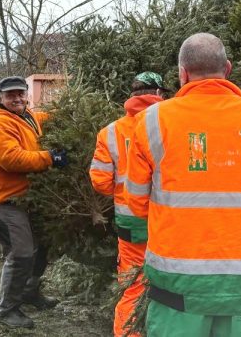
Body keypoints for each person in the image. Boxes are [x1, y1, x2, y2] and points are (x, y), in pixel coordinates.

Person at [125, 33, 241, 337]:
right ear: (228, 68)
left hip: (177, 287)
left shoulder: (152, 122)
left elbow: (136, 201)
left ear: (182, 74)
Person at [0, 76, 68, 329]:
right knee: (21, 253)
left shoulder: (26, 116)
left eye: (21, 93)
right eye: (11, 95)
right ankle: (7, 310)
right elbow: (12, 159)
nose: (17, 98)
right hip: (6, 201)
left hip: (28, 198)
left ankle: (29, 292)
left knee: (41, 248)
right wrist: (50, 158)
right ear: (0, 97)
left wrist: (71, 110)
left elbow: (43, 120)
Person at [90, 72, 167, 337]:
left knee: (133, 287)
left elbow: (100, 181)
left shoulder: (110, 132)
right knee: (170, 287)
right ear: (159, 94)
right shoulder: (172, 124)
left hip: (131, 222)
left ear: (131, 96)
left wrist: (123, 193)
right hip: (170, 222)